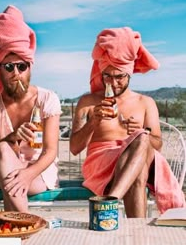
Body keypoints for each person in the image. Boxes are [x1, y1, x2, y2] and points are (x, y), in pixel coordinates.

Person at [70, 27, 185, 217]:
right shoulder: (88, 102)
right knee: (138, 171)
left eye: (119, 77)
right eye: (107, 76)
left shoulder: (145, 103)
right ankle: (131, 226)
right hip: (99, 164)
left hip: (136, 162)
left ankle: (111, 202)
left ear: (129, 74)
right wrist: (93, 123)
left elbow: (157, 145)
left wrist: (141, 131)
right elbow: (74, 148)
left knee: (142, 140)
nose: (113, 83)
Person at [0, 5, 62, 213]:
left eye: (21, 66)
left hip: (39, 172)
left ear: (29, 67)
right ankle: (24, 228)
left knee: (11, 181)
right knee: (3, 149)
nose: (16, 73)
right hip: (4, 165)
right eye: (8, 66)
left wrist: (28, 174)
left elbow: (50, 152)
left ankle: (17, 232)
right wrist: (13, 137)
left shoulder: (47, 99)